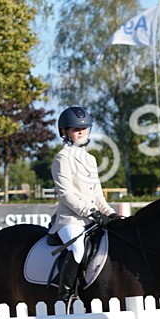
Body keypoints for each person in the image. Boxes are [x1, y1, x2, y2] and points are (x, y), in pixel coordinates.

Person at [47, 106, 119, 304]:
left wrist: (110, 213)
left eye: (84, 129)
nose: (81, 133)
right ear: (65, 133)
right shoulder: (62, 158)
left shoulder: (90, 159)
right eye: (76, 130)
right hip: (70, 220)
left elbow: (97, 193)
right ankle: (66, 297)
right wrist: (93, 213)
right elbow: (66, 194)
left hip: (92, 218)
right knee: (77, 249)